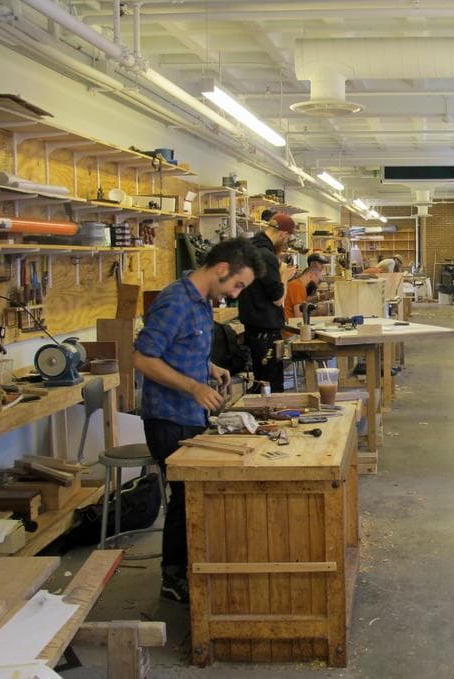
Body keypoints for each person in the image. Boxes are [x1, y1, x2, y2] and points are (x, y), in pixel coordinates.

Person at [134, 238, 264, 603]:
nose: (236, 294)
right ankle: (173, 577)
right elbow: (143, 359)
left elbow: (180, 348)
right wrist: (193, 386)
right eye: (237, 285)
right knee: (184, 497)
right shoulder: (176, 301)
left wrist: (210, 367)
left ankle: (192, 566)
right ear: (222, 270)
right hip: (168, 416)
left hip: (189, 413)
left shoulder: (201, 303)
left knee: (191, 494)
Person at [238, 214, 299, 392]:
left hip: (253, 329)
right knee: (273, 386)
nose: (286, 243)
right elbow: (278, 299)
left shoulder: (249, 249)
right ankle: (272, 416)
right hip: (265, 333)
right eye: (287, 239)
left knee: (262, 382)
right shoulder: (266, 256)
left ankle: (263, 416)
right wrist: (284, 276)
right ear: (282, 234)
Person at [285, 253, 328, 320]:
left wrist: (321, 297)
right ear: (311, 275)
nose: (317, 284)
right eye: (318, 280)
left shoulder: (298, 285)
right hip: (290, 329)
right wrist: (318, 311)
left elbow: (302, 303)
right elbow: (299, 316)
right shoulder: (297, 286)